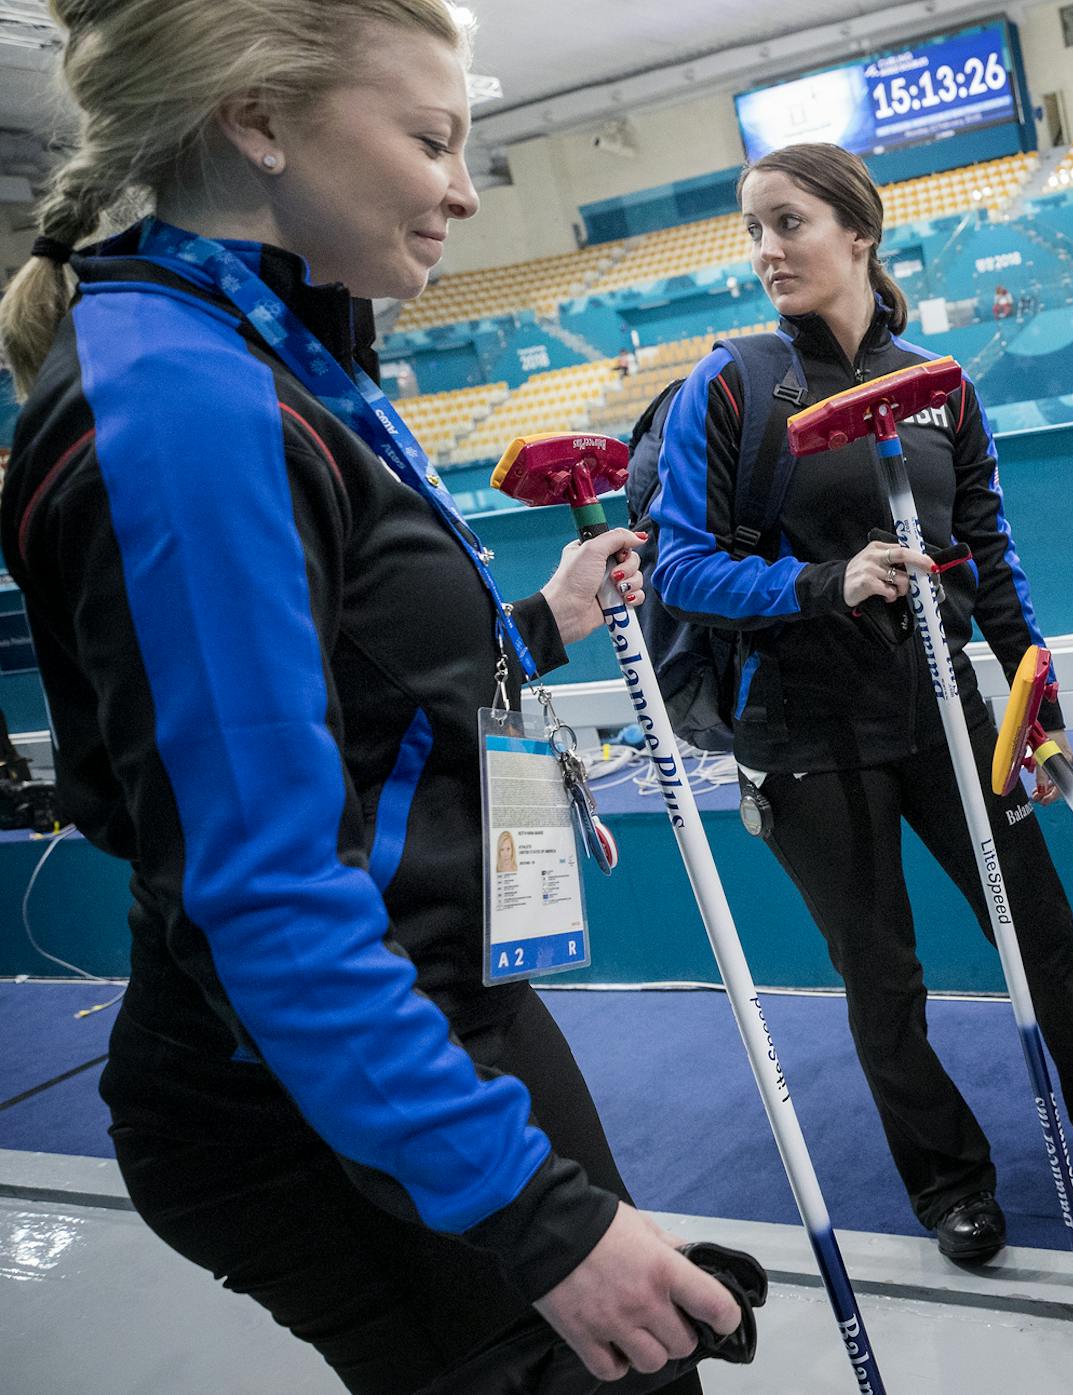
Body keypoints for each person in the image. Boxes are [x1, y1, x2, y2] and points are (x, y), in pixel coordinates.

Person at [0, 3, 744, 1390]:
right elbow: (266, 892)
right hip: (314, 1080)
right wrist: (531, 1212)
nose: (466, 186)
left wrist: (535, 621)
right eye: (432, 138)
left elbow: (348, 692)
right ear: (260, 120)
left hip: (427, 999)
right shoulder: (183, 403)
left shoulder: (277, 351)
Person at [647, 142, 1073, 1263]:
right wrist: (826, 579)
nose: (767, 249)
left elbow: (990, 561)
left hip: (946, 713)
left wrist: (1032, 688)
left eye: (789, 223)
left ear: (858, 231)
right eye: (754, 229)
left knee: (1050, 947)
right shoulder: (731, 383)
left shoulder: (941, 389)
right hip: (803, 735)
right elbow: (680, 570)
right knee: (885, 982)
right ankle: (948, 1185)